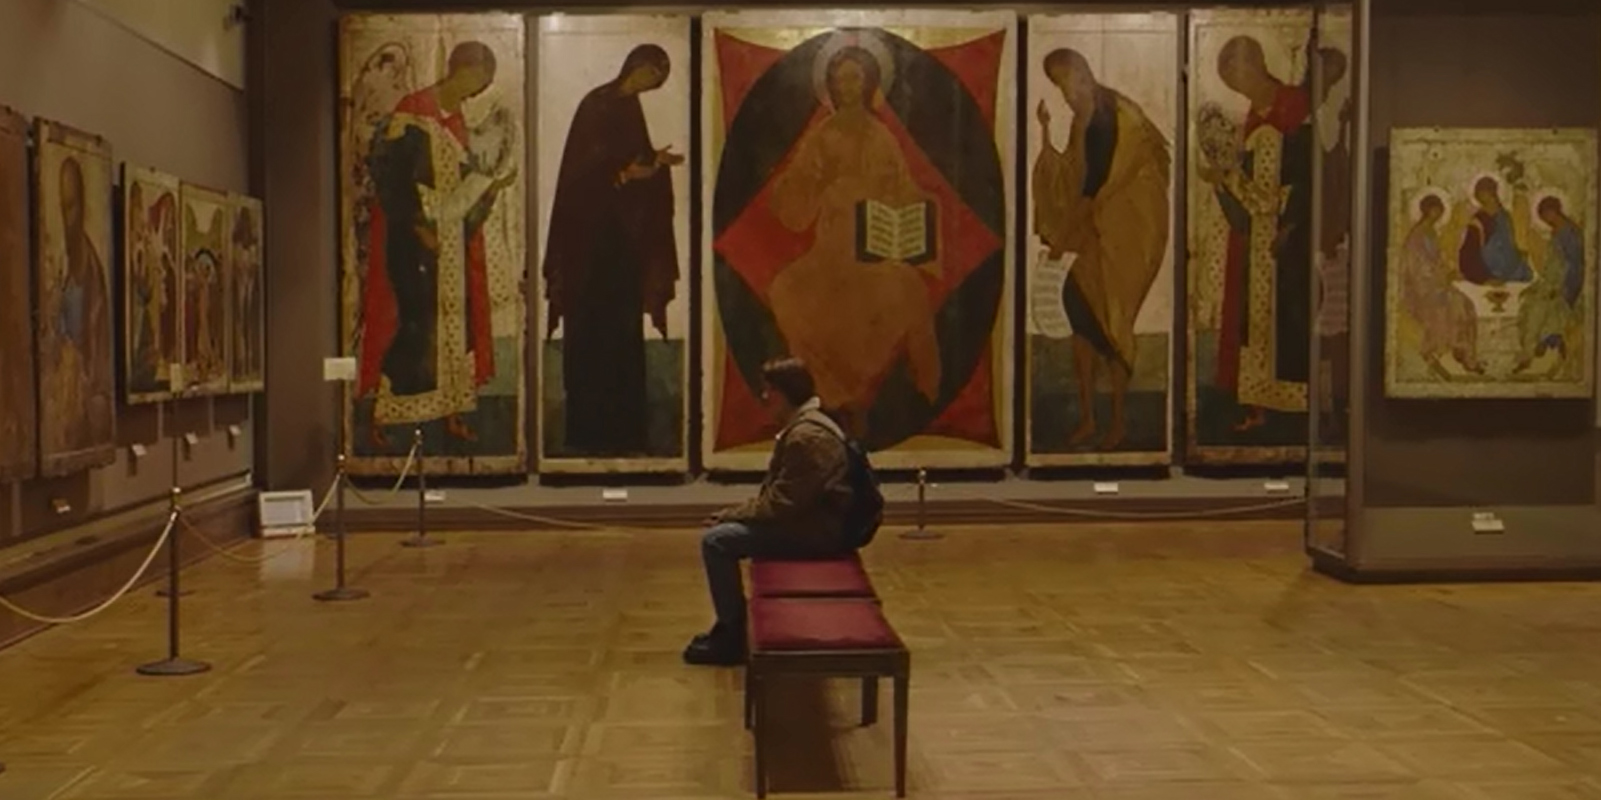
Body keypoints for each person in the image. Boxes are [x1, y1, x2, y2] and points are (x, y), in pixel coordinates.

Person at [765, 43, 942, 438]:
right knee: (785, 290)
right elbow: (796, 197)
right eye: (841, 79)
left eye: (855, 78)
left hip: (874, 251)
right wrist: (814, 189)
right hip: (829, 250)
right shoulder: (822, 136)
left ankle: (901, 397)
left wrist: (915, 210)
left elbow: (904, 192)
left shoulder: (882, 137)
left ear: (869, 83)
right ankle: (832, 396)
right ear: (831, 85)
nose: (848, 86)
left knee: (909, 294)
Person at [358, 40, 516, 447]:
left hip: (449, 244)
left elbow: (462, 186)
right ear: (458, 68)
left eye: (482, 84)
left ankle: (449, 413)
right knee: (414, 325)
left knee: (454, 329)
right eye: (475, 78)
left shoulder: (457, 122)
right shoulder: (411, 113)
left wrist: (492, 186)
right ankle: (381, 416)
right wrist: (418, 226)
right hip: (412, 242)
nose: (475, 89)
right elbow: (391, 180)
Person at [542, 44, 682, 456]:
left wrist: (653, 163)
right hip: (588, 248)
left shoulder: (630, 108)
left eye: (657, 83)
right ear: (635, 66)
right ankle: (587, 432)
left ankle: (625, 431)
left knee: (623, 336)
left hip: (622, 248)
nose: (651, 85)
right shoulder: (596, 106)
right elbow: (581, 174)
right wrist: (624, 174)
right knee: (589, 337)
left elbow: (628, 160)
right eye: (651, 76)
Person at [1031, 48, 1170, 451]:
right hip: (1095, 233)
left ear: (1087, 73)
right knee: (1081, 316)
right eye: (1062, 86)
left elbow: (1093, 191)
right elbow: (1074, 176)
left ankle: (1119, 422)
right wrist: (1044, 134)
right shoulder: (1085, 120)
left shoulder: (1112, 119)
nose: (1070, 92)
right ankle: (1090, 417)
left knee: (1112, 324)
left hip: (1126, 234)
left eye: (1073, 80)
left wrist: (1062, 240)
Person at [684, 357, 855, 667]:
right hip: (815, 522)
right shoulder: (811, 424)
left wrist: (732, 514)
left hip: (816, 533)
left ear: (785, 393)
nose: (764, 397)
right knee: (723, 535)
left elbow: (781, 504)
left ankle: (731, 636)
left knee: (717, 541)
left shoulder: (806, 437)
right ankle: (730, 628)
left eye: (769, 390)